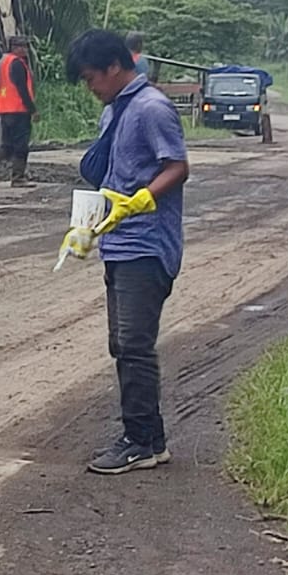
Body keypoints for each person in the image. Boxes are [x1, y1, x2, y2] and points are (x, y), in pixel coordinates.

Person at [66, 29, 189, 475]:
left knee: (134, 344)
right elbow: (113, 176)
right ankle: (150, 439)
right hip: (118, 242)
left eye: (90, 78)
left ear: (114, 68)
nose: (90, 87)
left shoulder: (152, 108)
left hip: (147, 242)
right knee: (122, 343)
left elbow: (177, 166)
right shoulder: (116, 110)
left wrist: (143, 199)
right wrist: (87, 226)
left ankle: (138, 440)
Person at [0, 36, 39, 188]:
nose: (25, 49)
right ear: (14, 47)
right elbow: (22, 90)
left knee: (6, 145)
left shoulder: (5, 62)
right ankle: (18, 178)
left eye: (25, 46)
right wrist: (33, 110)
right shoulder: (18, 64)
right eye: (22, 46)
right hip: (18, 111)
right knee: (21, 145)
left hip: (5, 110)